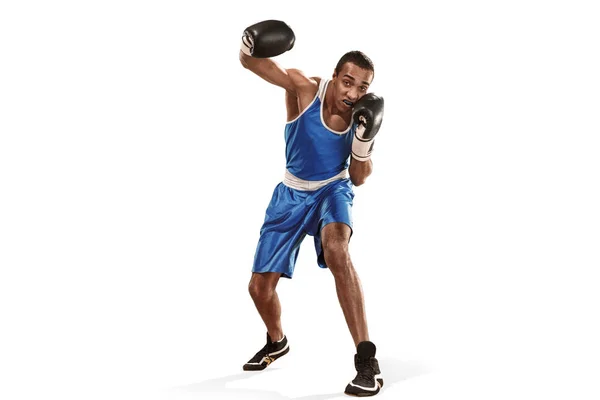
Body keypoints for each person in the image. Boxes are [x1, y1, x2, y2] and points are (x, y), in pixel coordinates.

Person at [238, 20, 385, 396]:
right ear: (335, 76)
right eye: (348, 81)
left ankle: (366, 359)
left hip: (332, 190)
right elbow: (253, 64)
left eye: (363, 86)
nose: (353, 93)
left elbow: (358, 176)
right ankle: (277, 340)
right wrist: (248, 45)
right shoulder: (305, 89)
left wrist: (363, 143)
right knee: (259, 289)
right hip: (289, 194)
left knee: (338, 251)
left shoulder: (363, 116)